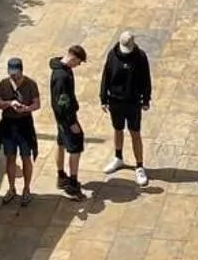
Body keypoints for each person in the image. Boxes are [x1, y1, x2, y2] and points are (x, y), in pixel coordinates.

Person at [100, 31, 151, 186]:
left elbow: (146, 79)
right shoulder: (112, 55)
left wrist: (146, 99)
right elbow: (106, 76)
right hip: (115, 101)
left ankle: (140, 166)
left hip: (133, 102)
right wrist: (103, 98)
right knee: (117, 129)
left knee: (135, 133)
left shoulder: (140, 57)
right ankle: (118, 157)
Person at [0, 57, 41, 207]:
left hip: (25, 125)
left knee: (26, 157)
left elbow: (37, 104)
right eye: (11, 73)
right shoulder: (4, 83)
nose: (13, 76)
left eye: (16, 73)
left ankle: (26, 189)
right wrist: (9, 103)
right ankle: (11, 188)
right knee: (10, 158)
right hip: (8, 125)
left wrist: (26, 108)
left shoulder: (30, 84)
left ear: (21, 70)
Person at [50, 44, 89, 201]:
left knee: (60, 143)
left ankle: (61, 176)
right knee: (75, 147)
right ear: (73, 57)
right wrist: (71, 122)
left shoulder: (61, 69)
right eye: (78, 62)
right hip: (66, 118)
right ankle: (72, 184)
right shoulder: (62, 77)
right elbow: (63, 102)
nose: (78, 65)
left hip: (60, 119)